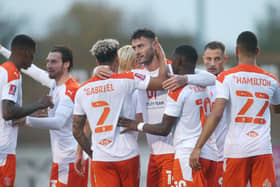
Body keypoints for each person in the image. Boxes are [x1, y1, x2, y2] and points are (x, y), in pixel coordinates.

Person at [72, 38, 167, 187]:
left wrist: (91, 153)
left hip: (101, 157)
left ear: (97, 62)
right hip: (127, 155)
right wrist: (160, 54)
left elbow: (77, 130)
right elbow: (162, 81)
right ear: (117, 59)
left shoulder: (82, 90)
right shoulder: (128, 79)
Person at [190, 31, 280, 187]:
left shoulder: (226, 77)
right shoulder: (271, 80)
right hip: (263, 149)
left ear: (237, 50)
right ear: (257, 51)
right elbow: (277, 108)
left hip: (236, 150)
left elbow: (216, 114)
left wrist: (198, 146)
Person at [119, 45, 216, 187]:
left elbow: (164, 129)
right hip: (210, 152)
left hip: (188, 154)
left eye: (174, 61)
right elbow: (212, 78)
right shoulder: (203, 85)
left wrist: (136, 125)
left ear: (178, 62)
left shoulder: (177, 90)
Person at [9, 46, 89, 187]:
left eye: (53, 62)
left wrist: (26, 120)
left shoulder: (70, 90)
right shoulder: (55, 84)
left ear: (66, 64)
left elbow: (58, 122)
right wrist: (3, 50)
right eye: (47, 62)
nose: (48, 65)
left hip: (71, 162)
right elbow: (32, 70)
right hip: (61, 161)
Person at [0, 35, 53, 187]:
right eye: (32, 54)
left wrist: (25, 113)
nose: (32, 59)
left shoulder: (2, 71)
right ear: (25, 52)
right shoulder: (13, 74)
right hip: (4, 150)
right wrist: (38, 104)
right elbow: (7, 112)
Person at [203, 41, 229, 186]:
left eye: (217, 59)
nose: (212, 63)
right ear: (203, 59)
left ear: (224, 60)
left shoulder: (230, 82)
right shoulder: (197, 84)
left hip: (225, 157)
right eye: (208, 59)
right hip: (203, 156)